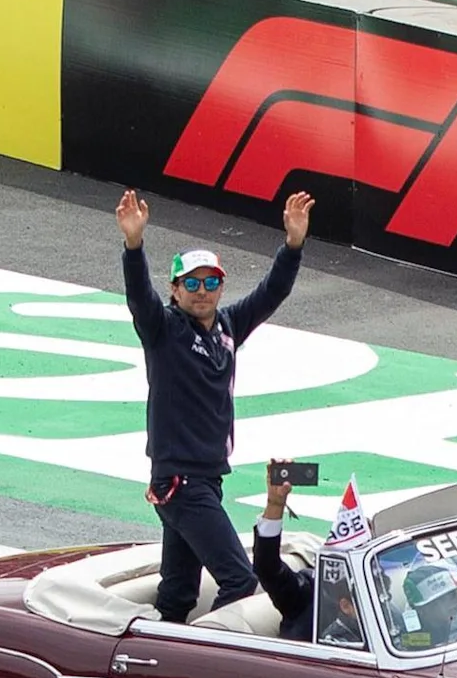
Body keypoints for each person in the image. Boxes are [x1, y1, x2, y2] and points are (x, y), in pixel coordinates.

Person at [115, 186, 312, 626]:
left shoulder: (227, 326)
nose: (202, 291)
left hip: (205, 480)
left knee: (178, 592)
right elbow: (138, 299)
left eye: (211, 282)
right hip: (181, 483)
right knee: (239, 580)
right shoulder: (163, 330)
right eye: (192, 283)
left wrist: (293, 244)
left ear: (221, 287)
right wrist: (133, 245)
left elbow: (271, 293)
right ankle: (205, 653)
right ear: (176, 289)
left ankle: (162, 649)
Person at [249, 463, 370, 646]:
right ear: (346, 605)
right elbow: (267, 567)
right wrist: (275, 504)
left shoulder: (384, 598)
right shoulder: (308, 595)